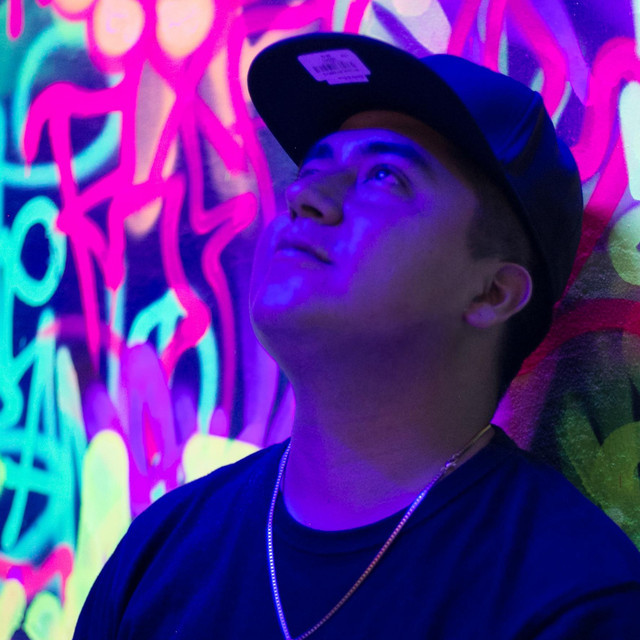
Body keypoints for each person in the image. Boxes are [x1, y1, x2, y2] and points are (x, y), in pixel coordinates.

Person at [73, 33, 640, 639]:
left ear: (492, 293)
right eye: (311, 170)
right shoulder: (159, 556)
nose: (305, 196)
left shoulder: (575, 601)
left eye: (384, 176)